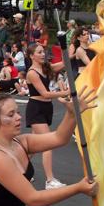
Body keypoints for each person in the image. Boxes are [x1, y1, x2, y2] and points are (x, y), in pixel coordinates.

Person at [25, 44, 69, 189]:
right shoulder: (32, 73)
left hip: (46, 108)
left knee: (33, 147)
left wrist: (70, 53)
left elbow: (61, 65)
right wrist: (66, 93)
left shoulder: (44, 67)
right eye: (39, 52)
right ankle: (50, 181)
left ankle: (18, 169)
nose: (43, 54)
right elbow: (45, 94)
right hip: (36, 109)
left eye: (43, 52)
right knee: (47, 143)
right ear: (31, 56)